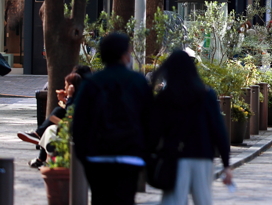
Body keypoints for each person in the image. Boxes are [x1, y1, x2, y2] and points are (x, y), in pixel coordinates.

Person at [72, 32, 154, 205]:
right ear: (125, 55)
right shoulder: (138, 82)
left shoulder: (91, 83)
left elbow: (79, 123)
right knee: (125, 199)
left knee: (99, 199)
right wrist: (145, 154)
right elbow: (151, 122)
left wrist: (83, 154)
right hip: (130, 155)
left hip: (97, 155)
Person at [151, 50, 233, 203]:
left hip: (174, 156)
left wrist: (151, 156)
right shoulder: (206, 94)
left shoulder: (165, 97)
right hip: (202, 155)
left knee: (173, 200)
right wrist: (226, 164)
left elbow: (154, 131)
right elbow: (218, 129)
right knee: (203, 200)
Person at [25, 71, 82, 168]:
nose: (64, 88)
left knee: (54, 119)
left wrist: (70, 97)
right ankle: (40, 158)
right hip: (71, 126)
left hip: (75, 130)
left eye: (66, 85)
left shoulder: (78, 99)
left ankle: (39, 138)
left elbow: (71, 113)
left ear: (71, 87)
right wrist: (65, 100)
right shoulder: (78, 97)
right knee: (51, 127)